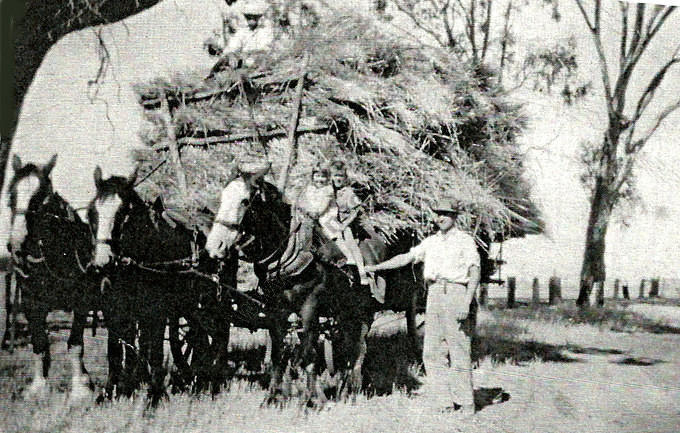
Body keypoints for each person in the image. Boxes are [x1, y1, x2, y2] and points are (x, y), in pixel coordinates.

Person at [365, 198, 480, 416]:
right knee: (431, 352)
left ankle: (466, 403)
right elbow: (406, 258)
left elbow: (474, 272)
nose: (441, 217)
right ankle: (445, 402)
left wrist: (466, 301)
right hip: (434, 295)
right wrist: (375, 267)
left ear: (455, 217)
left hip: (456, 292)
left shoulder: (465, 241)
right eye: (438, 213)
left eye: (446, 213)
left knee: (459, 350)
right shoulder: (431, 242)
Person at [328, 160, 383, 302]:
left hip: (346, 225)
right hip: (330, 223)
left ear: (345, 178)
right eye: (335, 176)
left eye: (340, 176)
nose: (338, 179)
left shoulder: (348, 193)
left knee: (350, 242)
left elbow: (356, 210)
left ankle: (361, 272)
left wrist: (345, 224)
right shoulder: (329, 191)